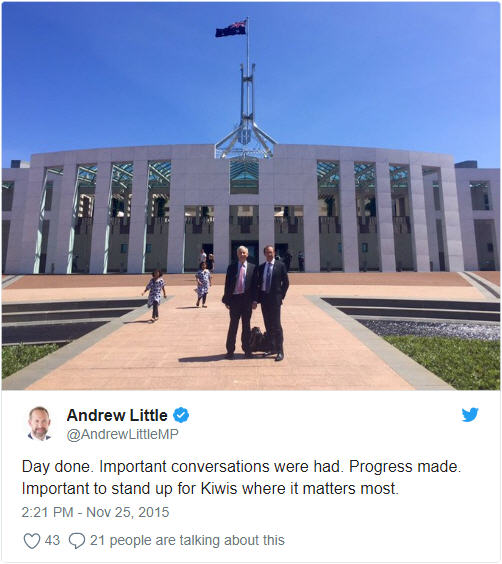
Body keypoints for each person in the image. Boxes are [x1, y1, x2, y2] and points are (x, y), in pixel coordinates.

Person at [252, 245, 289, 361]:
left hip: (275, 300)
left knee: (277, 326)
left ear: (274, 253)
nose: (269, 254)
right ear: (264, 254)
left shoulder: (280, 265)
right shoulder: (261, 267)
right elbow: (258, 284)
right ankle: (272, 348)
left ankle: (280, 351)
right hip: (264, 300)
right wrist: (256, 300)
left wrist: (280, 296)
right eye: (267, 252)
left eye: (271, 252)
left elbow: (286, 282)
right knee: (268, 325)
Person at [222, 246, 256, 360]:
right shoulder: (231, 267)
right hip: (235, 300)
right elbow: (227, 284)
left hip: (247, 301)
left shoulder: (253, 268)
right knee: (233, 326)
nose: (242, 255)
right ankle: (230, 351)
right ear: (237, 254)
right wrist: (226, 299)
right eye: (240, 253)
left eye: (244, 253)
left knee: (246, 326)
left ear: (247, 254)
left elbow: (255, 285)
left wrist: (255, 300)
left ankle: (247, 350)